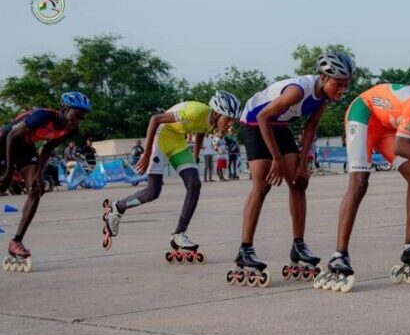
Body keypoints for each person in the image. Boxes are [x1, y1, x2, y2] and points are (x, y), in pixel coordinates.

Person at [316, 57, 410, 293]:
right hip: (364, 115)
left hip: (386, 126)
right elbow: (401, 147)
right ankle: (339, 254)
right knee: (359, 183)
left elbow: (406, 135)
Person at [228, 52, 354, 287]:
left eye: (346, 86)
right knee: (262, 185)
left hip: (280, 124)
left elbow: (311, 126)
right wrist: (276, 158)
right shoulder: (297, 91)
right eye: (338, 84)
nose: (341, 90)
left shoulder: (323, 97)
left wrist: (303, 163)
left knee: (298, 183)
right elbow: (264, 117)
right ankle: (245, 249)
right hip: (257, 122)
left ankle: (298, 245)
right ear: (323, 78)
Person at [101, 91, 240, 260]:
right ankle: (118, 207)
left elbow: (201, 130)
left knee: (194, 184)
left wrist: (195, 155)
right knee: (153, 191)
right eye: (228, 120)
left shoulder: (212, 120)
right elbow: (155, 119)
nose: (229, 125)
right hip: (161, 135)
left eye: (232, 121)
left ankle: (179, 234)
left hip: (177, 141)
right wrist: (146, 153)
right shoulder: (194, 112)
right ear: (217, 113)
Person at [0, 91, 92, 271]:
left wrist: (39, 175)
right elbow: (12, 136)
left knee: (35, 189)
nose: (77, 121)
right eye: (76, 115)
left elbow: (47, 149)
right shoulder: (43, 116)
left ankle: (16, 241)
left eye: (81, 117)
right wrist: (10, 172)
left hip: (25, 147)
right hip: (5, 142)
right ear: (64, 109)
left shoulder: (69, 128)